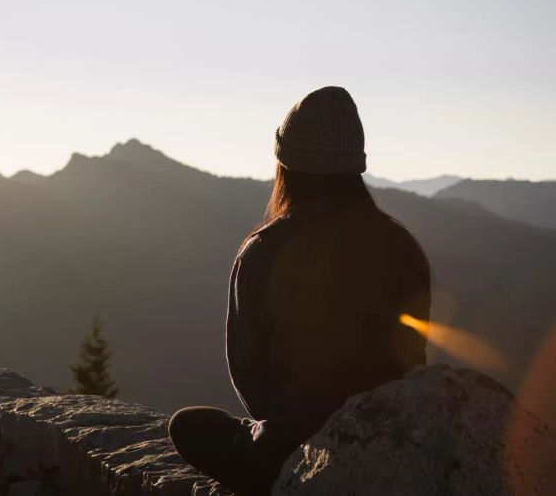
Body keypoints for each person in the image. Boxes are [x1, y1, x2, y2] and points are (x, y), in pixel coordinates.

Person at [168, 86, 431, 495]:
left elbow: (249, 371)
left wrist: (278, 427)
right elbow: (413, 359)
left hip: (295, 446)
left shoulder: (265, 250)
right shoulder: (401, 248)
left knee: (188, 425)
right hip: (387, 437)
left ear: (286, 165)